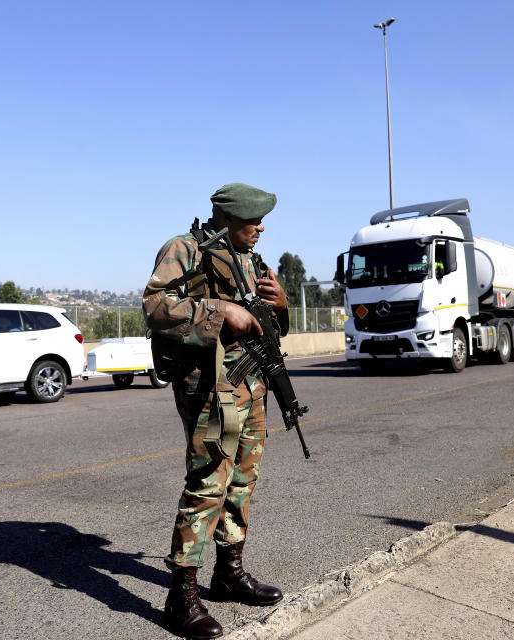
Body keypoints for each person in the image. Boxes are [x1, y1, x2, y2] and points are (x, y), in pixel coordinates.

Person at [143, 182, 290, 640]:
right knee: (209, 482)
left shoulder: (252, 261)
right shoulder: (185, 249)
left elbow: (267, 321)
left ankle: (229, 573)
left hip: (253, 386)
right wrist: (220, 311)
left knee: (243, 480)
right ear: (227, 219)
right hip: (211, 389)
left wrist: (280, 305)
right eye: (253, 221)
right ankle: (181, 597)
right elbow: (154, 305)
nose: (261, 229)